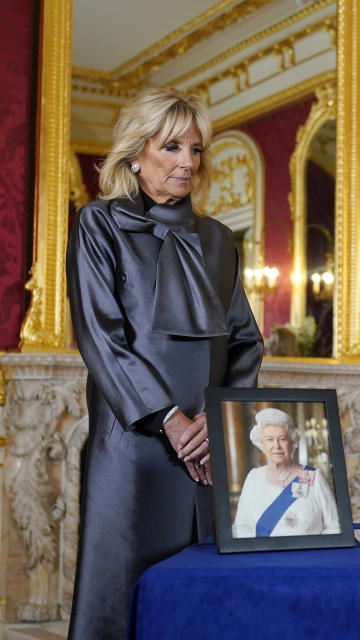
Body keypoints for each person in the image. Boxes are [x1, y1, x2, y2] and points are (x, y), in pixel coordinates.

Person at [66, 86, 263, 640]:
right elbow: (101, 337)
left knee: (203, 590)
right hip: (134, 445)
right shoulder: (98, 225)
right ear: (136, 154)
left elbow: (245, 341)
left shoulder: (220, 239)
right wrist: (171, 421)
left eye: (196, 150)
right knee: (123, 585)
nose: (187, 163)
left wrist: (216, 421)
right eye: (171, 147)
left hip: (206, 444)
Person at [232, 408, 340, 537]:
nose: (276, 446)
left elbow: (334, 527)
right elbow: (241, 527)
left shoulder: (312, 476)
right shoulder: (254, 477)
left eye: (282, 439)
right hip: (263, 556)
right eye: (269, 439)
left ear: (292, 441)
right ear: (262, 444)